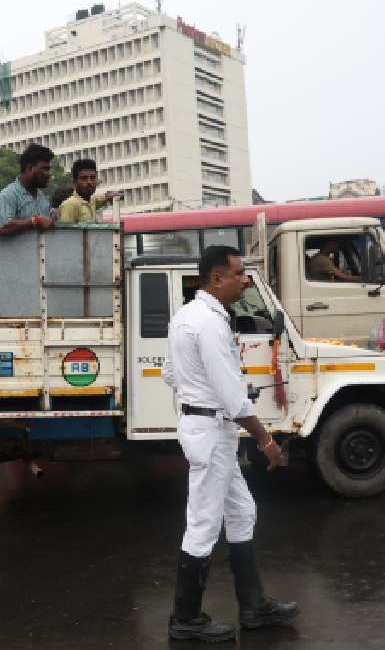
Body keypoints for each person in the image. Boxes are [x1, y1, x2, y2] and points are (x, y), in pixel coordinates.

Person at [161, 246, 298, 641]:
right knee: (203, 523)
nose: (246, 280)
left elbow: (171, 372)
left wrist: (200, 388)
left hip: (209, 426)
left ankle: (254, 607)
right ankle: (185, 618)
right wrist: (266, 440)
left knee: (241, 511)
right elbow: (232, 398)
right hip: (211, 430)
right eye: (239, 273)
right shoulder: (208, 323)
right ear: (216, 278)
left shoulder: (188, 315)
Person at [0, 143, 55, 235]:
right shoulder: (9, 195)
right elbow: (1, 226)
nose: (49, 174)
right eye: (45, 169)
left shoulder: (42, 198)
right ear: (29, 168)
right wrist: (34, 220)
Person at [57, 158, 122, 223]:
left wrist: (114, 195)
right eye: (84, 178)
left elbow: (104, 197)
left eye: (92, 178)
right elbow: (66, 230)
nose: (89, 182)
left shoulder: (91, 200)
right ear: (75, 182)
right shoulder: (70, 205)